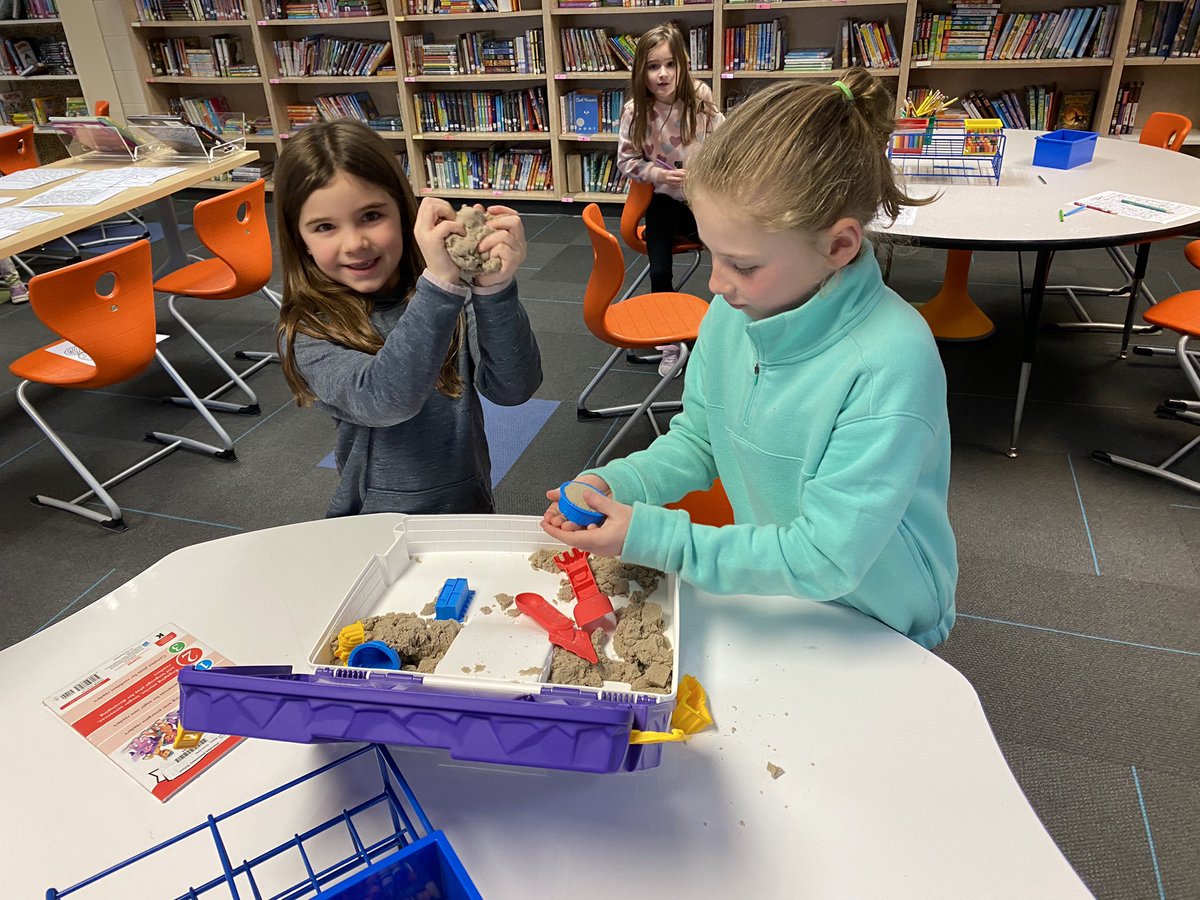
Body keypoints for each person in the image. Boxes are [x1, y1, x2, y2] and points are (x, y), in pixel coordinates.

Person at [543, 70, 957, 648]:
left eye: (744, 265)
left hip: (874, 614)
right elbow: (701, 439)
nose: (715, 285)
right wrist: (618, 482)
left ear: (839, 246)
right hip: (775, 584)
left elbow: (827, 556)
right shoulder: (734, 316)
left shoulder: (890, 363)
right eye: (713, 254)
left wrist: (657, 537)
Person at [275, 119, 542, 517]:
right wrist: (440, 287)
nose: (355, 244)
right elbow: (386, 400)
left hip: (466, 505)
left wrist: (494, 290)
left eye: (371, 216)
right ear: (302, 242)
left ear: (404, 214)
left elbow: (514, 388)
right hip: (374, 522)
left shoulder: (447, 294)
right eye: (325, 227)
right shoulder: (310, 328)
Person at [617, 22, 723, 376]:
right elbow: (627, 161)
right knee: (659, 269)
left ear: (682, 65)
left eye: (670, 64)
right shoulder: (636, 112)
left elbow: (725, 141)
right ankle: (670, 342)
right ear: (641, 72)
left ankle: (726, 334)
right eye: (652, 66)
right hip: (664, 202)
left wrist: (708, 171)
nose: (663, 74)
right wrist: (658, 174)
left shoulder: (700, 99)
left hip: (702, 201)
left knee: (732, 258)